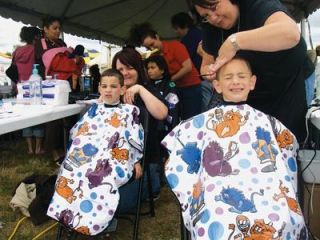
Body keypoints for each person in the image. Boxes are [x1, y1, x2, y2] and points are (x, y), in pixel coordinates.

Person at [162, 56, 308, 240]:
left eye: (241, 76)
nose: (236, 81)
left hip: (268, 192)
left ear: (252, 82)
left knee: (285, 219)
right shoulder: (201, 123)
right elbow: (177, 152)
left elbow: (288, 151)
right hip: (216, 193)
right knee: (218, 222)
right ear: (217, 85)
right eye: (229, 77)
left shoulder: (268, 123)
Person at [189, 0, 315, 143]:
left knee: (288, 137)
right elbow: (206, 65)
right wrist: (211, 72)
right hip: (254, 90)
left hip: (291, 79)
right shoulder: (209, 27)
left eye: (214, 7)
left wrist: (235, 42)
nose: (213, 18)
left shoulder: (257, 4)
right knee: (258, 139)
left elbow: (291, 33)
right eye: (205, 15)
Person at [47, 68, 145, 236]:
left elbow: (135, 138)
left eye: (113, 86)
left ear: (122, 89)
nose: (108, 90)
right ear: (99, 88)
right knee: (69, 173)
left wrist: (135, 160)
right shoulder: (93, 109)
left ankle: (97, 221)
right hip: (87, 155)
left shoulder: (130, 111)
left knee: (100, 178)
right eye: (104, 86)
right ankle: (73, 218)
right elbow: (78, 132)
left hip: (113, 158)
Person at [111, 47, 168, 212]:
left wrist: (140, 90)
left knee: (119, 204)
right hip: (117, 159)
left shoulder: (148, 89)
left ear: (138, 68)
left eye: (130, 67)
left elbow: (162, 113)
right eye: (120, 69)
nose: (125, 73)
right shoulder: (113, 93)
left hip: (144, 161)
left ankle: (153, 186)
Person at [129, 23, 202, 120]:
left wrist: (170, 80)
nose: (151, 48)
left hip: (190, 86)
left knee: (191, 117)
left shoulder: (175, 46)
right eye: (147, 47)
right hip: (172, 89)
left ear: (157, 37)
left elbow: (187, 67)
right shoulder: (153, 57)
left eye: (152, 44)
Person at [12, 26, 44, 155]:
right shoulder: (35, 50)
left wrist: (16, 85)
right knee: (38, 116)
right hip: (35, 86)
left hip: (21, 87)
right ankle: (38, 148)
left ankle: (30, 149)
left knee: (26, 117)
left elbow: (13, 70)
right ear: (35, 37)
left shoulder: (17, 51)